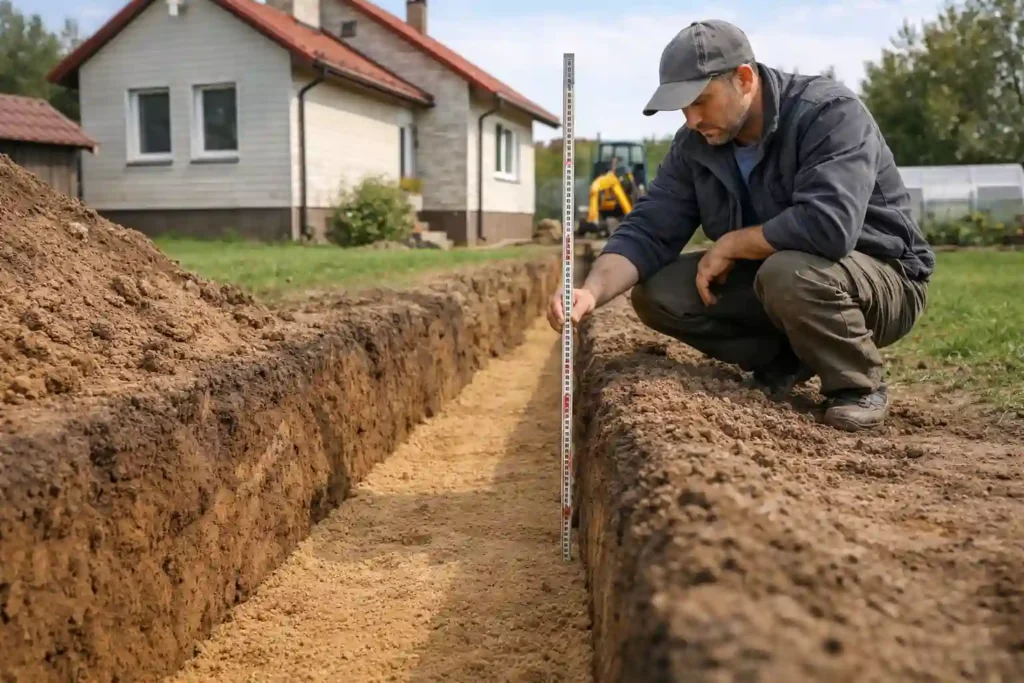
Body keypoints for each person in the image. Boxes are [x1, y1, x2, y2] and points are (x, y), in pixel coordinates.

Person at [547, 19, 935, 432]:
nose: (691, 119)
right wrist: (589, 292)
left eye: (701, 101)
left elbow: (829, 225)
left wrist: (733, 243)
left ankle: (858, 385)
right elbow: (648, 229)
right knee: (658, 293)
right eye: (682, 107)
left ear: (744, 79)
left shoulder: (828, 113)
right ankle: (784, 362)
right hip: (785, 280)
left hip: (881, 278)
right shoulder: (693, 146)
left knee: (788, 273)